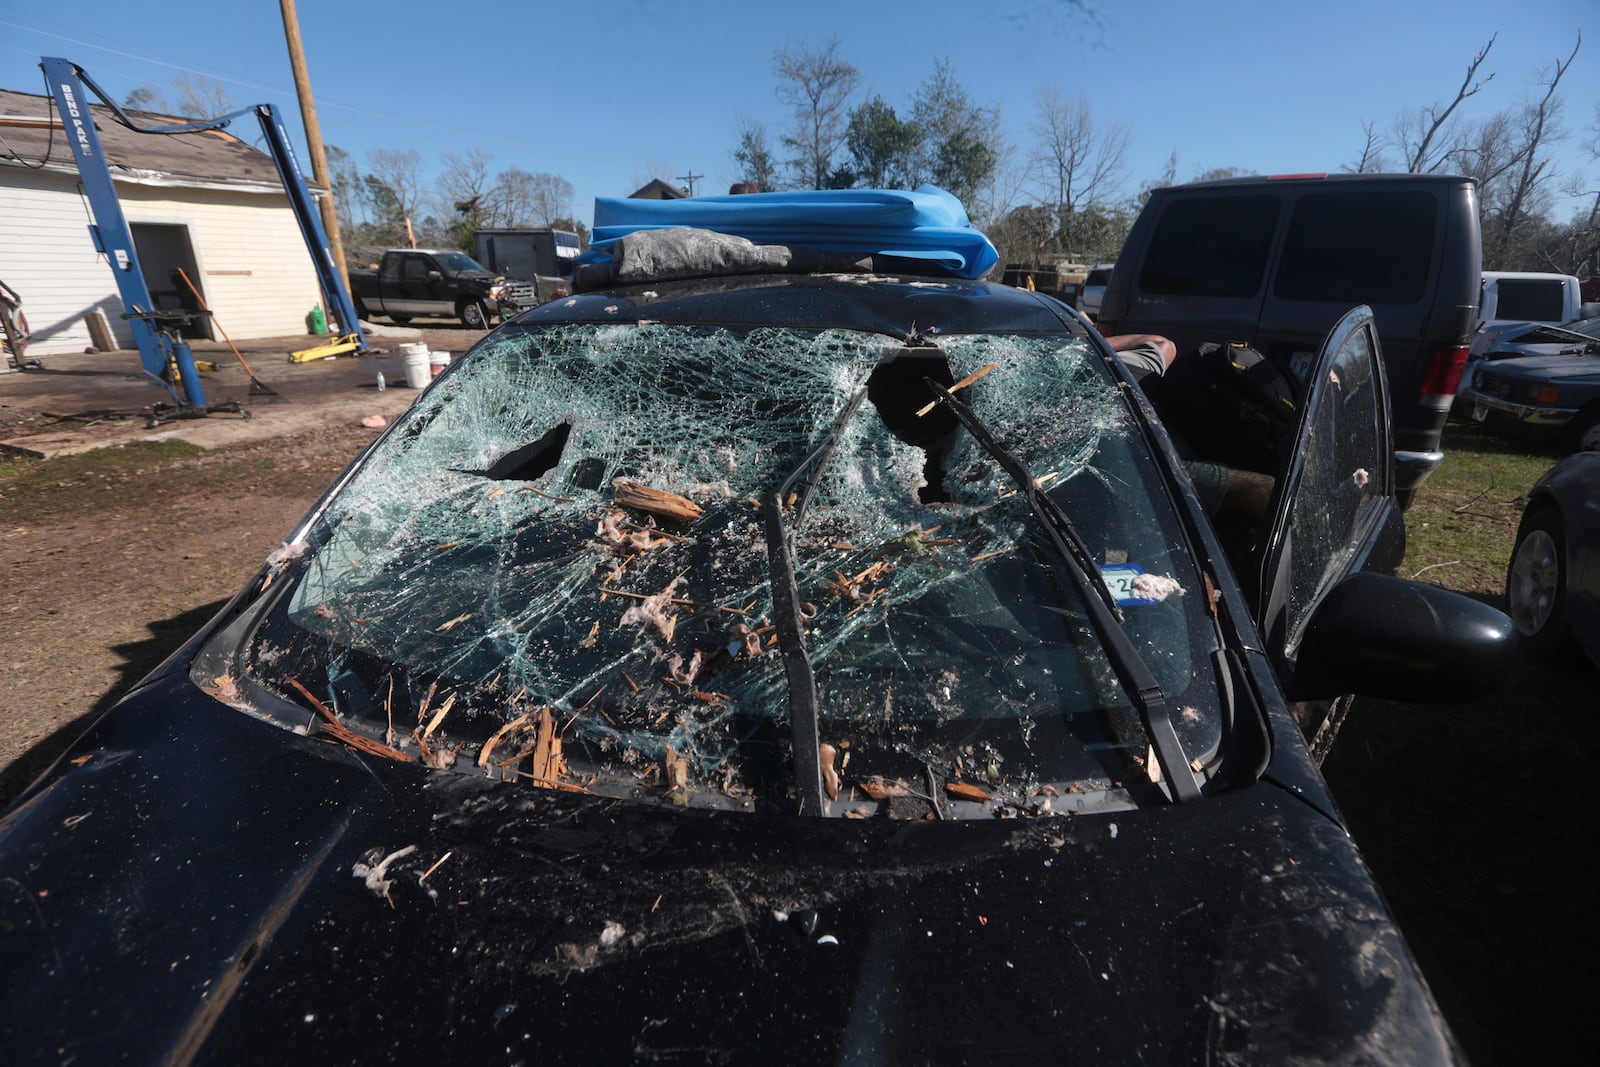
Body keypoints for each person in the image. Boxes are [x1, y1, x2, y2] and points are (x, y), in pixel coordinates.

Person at [1103, 333, 1274, 522]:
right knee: (1263, 488)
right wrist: (1088, 344)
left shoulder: (1123, 367)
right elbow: (1162, 343)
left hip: (1185, 442)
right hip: (1153, 465)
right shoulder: (1118, 367)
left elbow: (1162, 344)